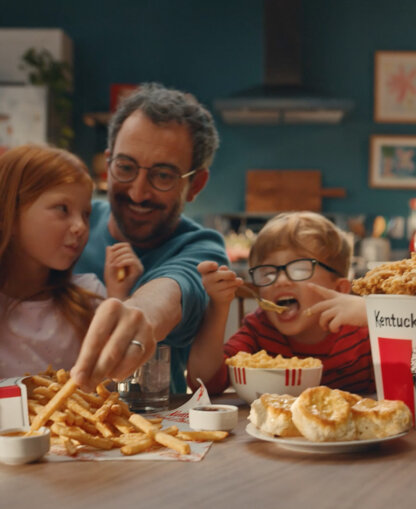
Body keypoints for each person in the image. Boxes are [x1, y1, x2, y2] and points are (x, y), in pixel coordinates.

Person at [72, 82, 228, 393]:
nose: (138, 192)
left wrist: (138, 314)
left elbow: (171, 291)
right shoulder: (69, 223)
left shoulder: (201, 249)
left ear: (195, 184)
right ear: (107, 165)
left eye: (163, 176)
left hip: (149, 430)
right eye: (125, 167)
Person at [187, 211, 374, 395]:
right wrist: (218, 306)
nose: (281, 280)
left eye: (300, 269)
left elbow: (400, 383)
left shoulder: (363, 335)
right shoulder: (260, 330)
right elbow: (204, 384)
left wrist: (375, 317)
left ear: (339, 289)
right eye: (267, 272)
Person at [0, 144, 141, 377]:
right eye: (63, 209)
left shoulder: (89, 297)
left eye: (86, 214)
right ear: (10, 214)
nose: (80, 227)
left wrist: (117, 298)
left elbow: (114, 386)